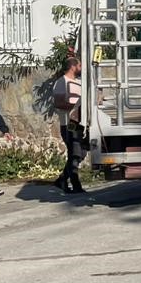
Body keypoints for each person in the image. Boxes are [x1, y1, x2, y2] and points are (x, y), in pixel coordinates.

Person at [52, 54, 87, 195]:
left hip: (80, 123)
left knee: (81, 152)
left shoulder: (79, 82)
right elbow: (59, 103)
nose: (81, 68)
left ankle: (62, 179)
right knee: (75, 152)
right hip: (69, 124)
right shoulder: (61, 82)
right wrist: (75, 107)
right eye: (79, 65)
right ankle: (75, 184)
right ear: (73, 67)